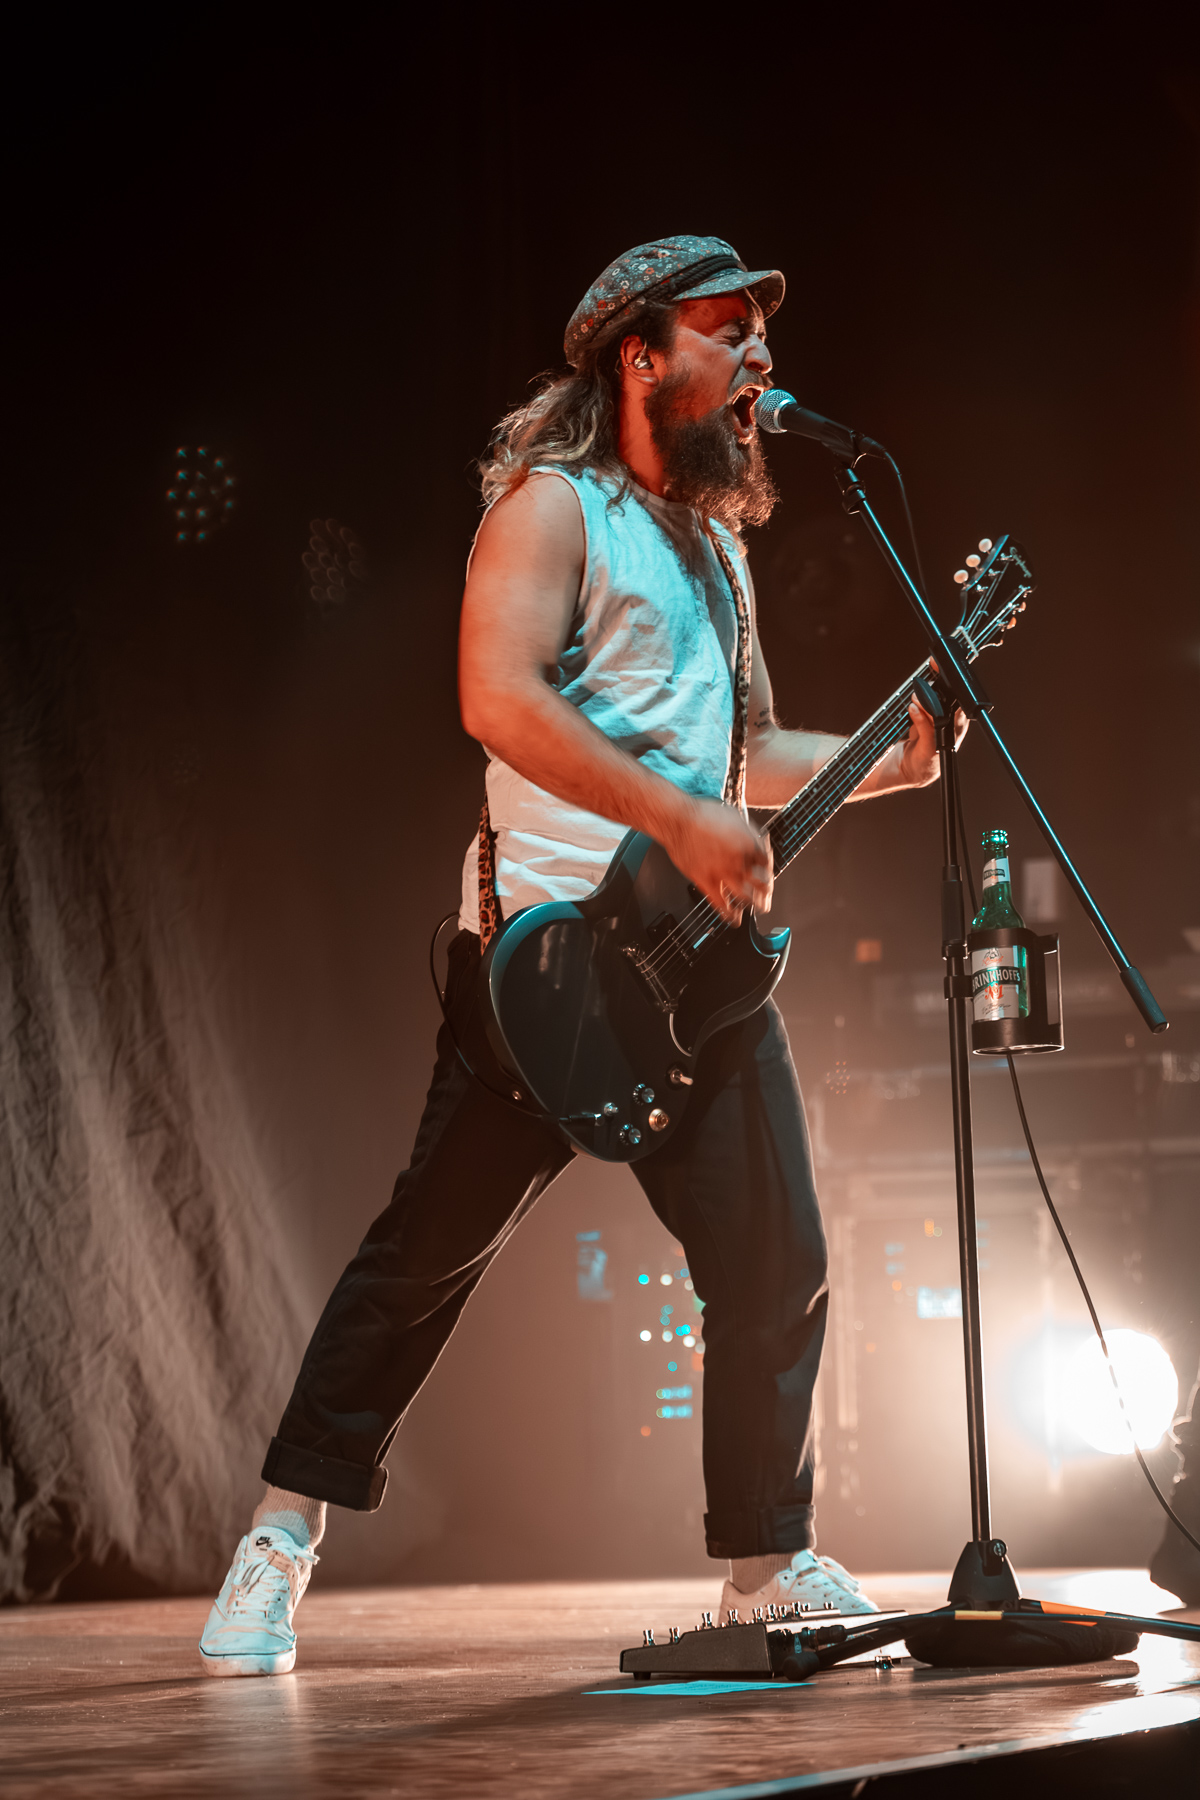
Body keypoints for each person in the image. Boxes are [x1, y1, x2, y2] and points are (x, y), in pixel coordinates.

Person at [199, 236, 963, 1676]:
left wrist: (893, 763)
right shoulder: (552, 508)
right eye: (729, 332)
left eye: (764, 338)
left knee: (779, 1255)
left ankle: (763, 1569)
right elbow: (496, 697)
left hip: (698, 971)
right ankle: (281, 1536)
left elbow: (743, 756)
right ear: (639, 354)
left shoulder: (720, 550)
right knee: (425, 1260)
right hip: (544, 967)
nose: (760, 360)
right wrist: (674, 814)